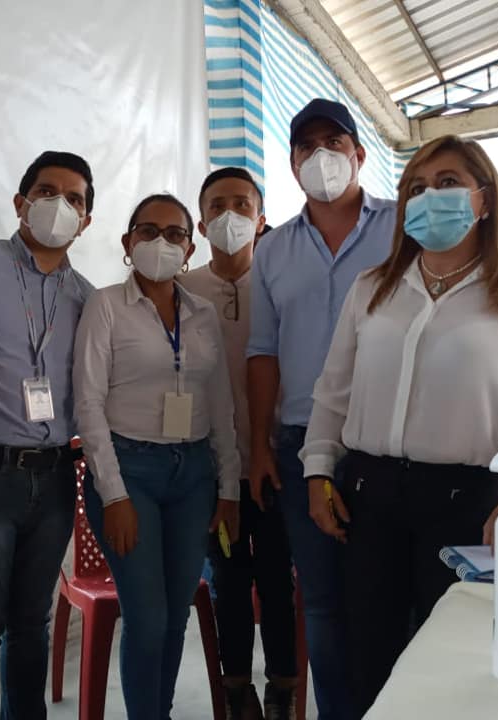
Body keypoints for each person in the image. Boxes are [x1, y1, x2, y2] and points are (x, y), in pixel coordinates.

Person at [301, 134, 498, 716]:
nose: (430, 197)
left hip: (467, 503)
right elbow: (333, 391)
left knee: (451, 657)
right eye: (417, 188)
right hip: (368, 494)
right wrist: (318, 473)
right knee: (368, 652)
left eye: (448, 183)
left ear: (485, 199)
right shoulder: (373, 287)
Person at [246, 98, 396, 720]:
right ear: (292, 163)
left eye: (333, 143)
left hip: (386, 443)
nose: (320, 156)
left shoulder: (403, 227)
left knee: (390, 598)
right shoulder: (273, 250)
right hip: (300, 445)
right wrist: (259, 445)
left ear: (359, 154)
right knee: (323, 601)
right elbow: (262, 353)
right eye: (306, 147)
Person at [73, 193, 241, 720]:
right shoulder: (106, 305)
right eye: (148, 231)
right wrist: (114, 495)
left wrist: (229, 489)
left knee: (174, 617)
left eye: (174, 234)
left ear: (189, 249)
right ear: (128, 242)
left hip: (194, 476)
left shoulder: (202, 313)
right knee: (146, 620)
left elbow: (220, 404)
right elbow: (87, 404)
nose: (161, 242)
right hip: (130, 473)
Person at [0, 151, 95, 720]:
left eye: (74, 199)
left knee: (32, 623)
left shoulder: (86, 296)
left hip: (54, 477)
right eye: (47, 192)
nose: (60, 206)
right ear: (20, 202)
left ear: (86, 221)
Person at [181, 168, 297, 720]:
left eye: (242, 205)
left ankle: (283, 683)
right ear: (202, 224)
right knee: (227, 576)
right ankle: (235, 687)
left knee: (277, 574)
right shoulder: (181, 289)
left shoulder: (279, 286)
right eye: (217, 206)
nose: (231, 216)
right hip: (212, 469)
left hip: (273, 462)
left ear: (261, 218)